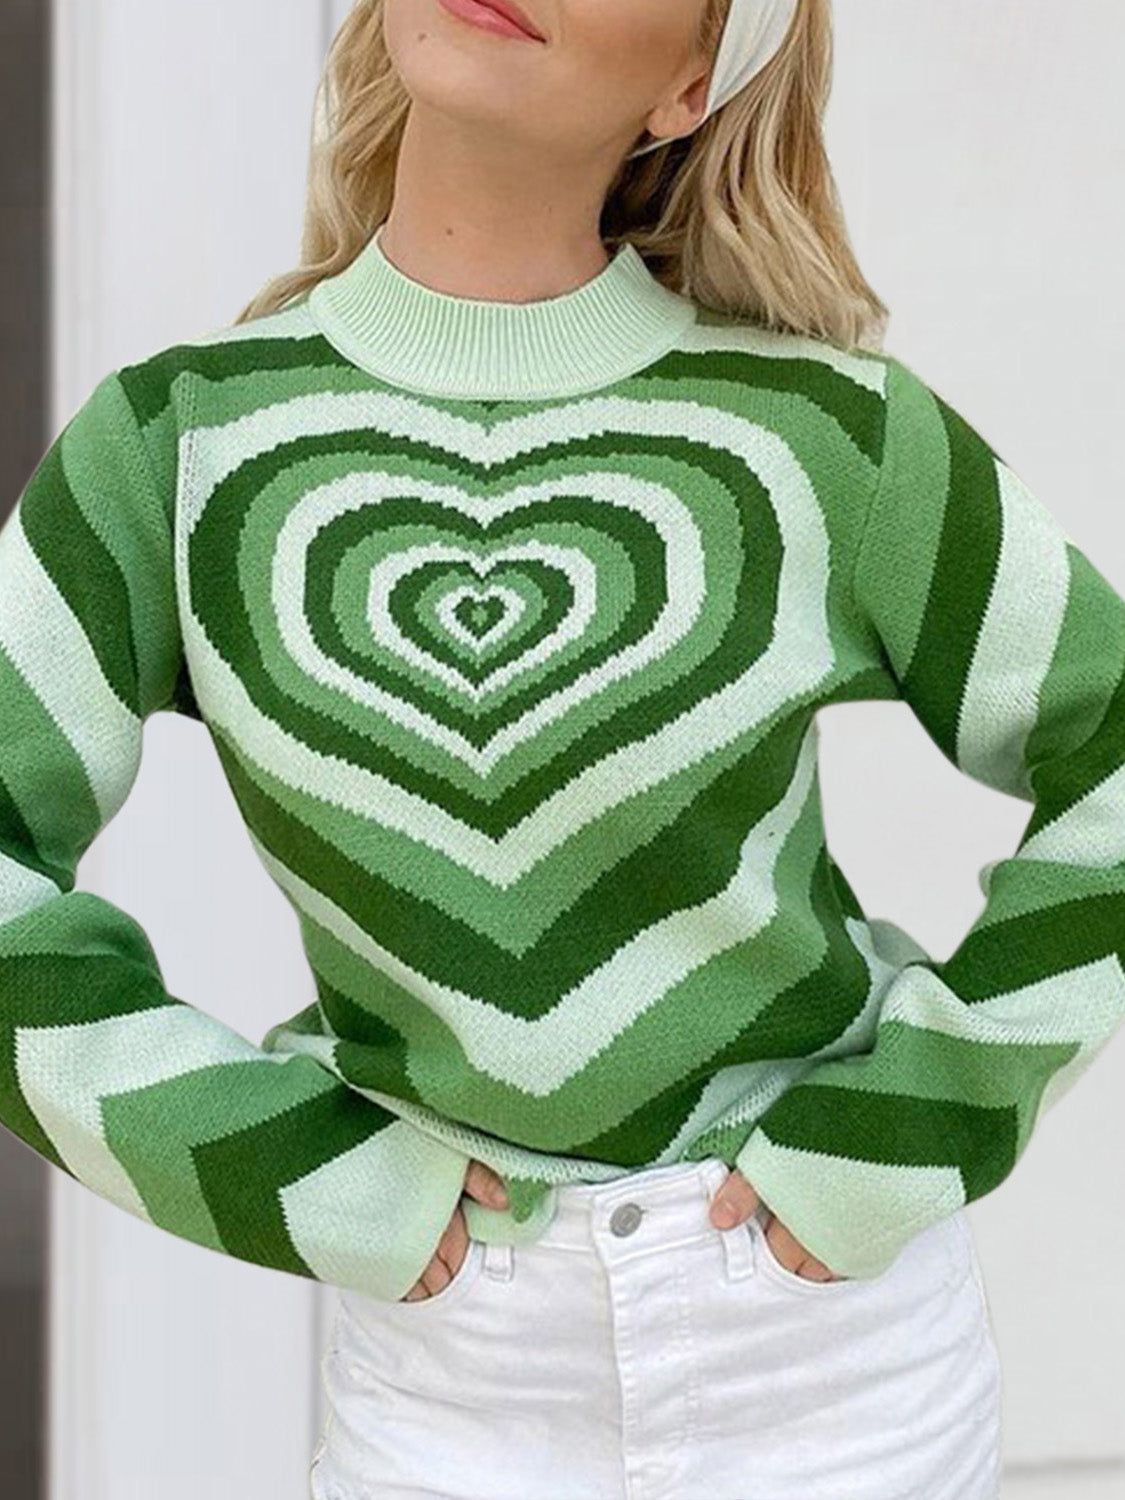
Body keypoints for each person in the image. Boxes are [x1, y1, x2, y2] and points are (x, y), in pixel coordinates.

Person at [3, 0, 1122, 1494]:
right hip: (448, 1386)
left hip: (827, 1374)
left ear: (689, 83)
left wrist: (921, 1121)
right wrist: (276, 1163)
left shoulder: (828, 436)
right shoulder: (176, 447)